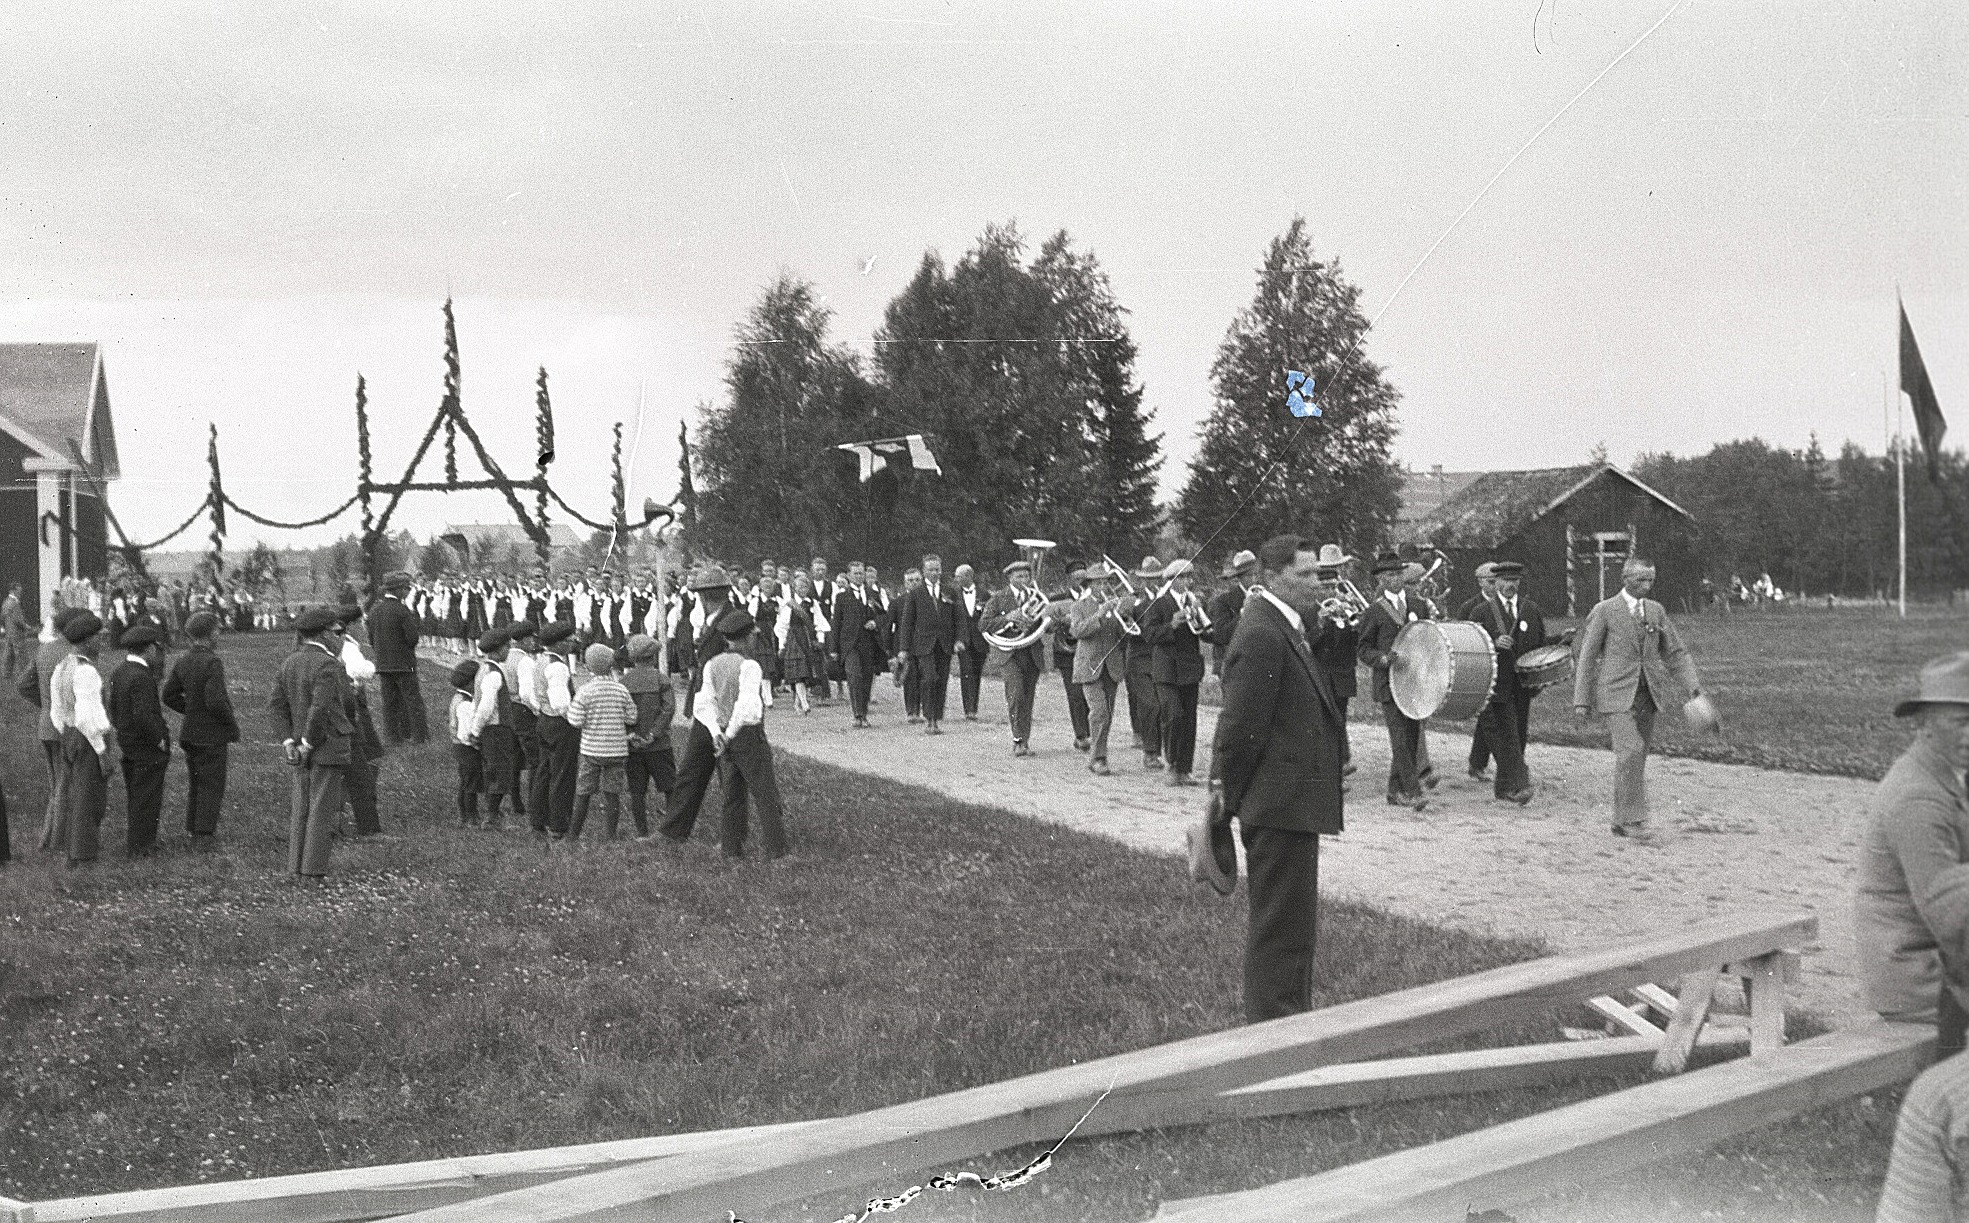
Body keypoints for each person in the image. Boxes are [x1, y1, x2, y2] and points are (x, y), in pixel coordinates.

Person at [1206, 534, 1346, 1022]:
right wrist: (1230, 800)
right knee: (1280, 930)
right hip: (1276, 806)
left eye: (1316, 574)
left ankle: (1288, 1021)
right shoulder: (1263, 632)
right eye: (1305, 575)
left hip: (1288, 802)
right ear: (1271, 577)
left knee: (1292, 928)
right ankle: (1272, 1034)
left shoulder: (1283, 625)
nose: (1316, 584)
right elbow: (1240, 729)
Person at [1855, 653, 1969, 1050]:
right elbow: (1953, 916)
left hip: (1941, 962)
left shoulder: (1947, 776)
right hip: (1916, 976)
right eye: (1961, 722)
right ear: (1924, 726)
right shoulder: (1918, 797)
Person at [1572, 557, 1703, 843]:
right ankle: (1633, 819)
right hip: (1615, 693)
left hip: (1647, 693)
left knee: (1636, 755)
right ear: (1625, 579)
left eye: (1651, 580)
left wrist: (1692, 687)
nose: (1647, 585)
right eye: (1641, 579)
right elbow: (1586, 657)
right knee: (1630, 749)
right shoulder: (1605, 611)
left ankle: (1621, 820)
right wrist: (1581, 700)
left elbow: (1675, 653)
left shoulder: (1656, 611)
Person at [268, 608, 354, 879]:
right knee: (321, 810)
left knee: (302, 808)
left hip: (300, 744)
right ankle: (314, 872)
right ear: (325, 633)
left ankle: (296, 867)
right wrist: (307, 742)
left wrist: (289, 742)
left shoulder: (289, 662)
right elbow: (321, 708)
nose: (339, 637)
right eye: (336, 631)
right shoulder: (328, 664)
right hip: (325, 744)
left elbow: (276, 707)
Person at [697, 610, 790, 859]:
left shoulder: (712, 664)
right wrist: (729, 734)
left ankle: (731, 847)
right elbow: (746, 707)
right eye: (752, 635)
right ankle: (777, 849)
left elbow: (705, 703)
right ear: (746, 638)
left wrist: (717, 733)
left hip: (724, 737)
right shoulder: (750, 666)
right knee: (765, 793)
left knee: (733, 795)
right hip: (747, 735)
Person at [1357, 552, 1430, 811]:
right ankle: (1412, 791)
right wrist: (1384, 659)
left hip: (1413, 683)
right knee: (1399, 738)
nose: (1395, 579)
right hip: (1388, 683)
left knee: (1410, 738)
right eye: (1389, 575)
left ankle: (1393, 790)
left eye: (1398, 574)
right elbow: (1364, 649)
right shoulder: (1374, 612)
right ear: (1380, 580)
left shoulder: (1418, 606)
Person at [1469, 561, 1546, 806]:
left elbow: (1539, 645)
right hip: (1494, 684)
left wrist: (1561, 641)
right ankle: (1518, 784)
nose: (1510, 585)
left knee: (1519, 734)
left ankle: (1504, 788)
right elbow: (1471, 648)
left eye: (1514, 580)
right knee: (1507, 734)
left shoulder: (1530, 610)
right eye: (1504, 580)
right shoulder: (1481, 612)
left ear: (1519, 582)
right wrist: (1493, 642)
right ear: (1496, 582)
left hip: (1522, 685)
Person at [162, 610, 239, 843]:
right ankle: (204, 833)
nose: (219, 633)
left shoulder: (183, 660)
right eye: (216, 629)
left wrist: (191, 709)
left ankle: (194, 826)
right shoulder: (212, 661)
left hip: (190, 732)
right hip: (210, 734)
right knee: (212, 783)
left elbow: (168, 696)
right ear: (208, 634)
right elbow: (215, 700)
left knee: (197, 781)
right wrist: (229, 722)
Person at [52, 611, 117, 866]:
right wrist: (101, 750)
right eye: (97, 638)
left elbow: (57, 710)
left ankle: (74, 851)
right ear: (87, 641)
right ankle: (83, 855)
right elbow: (87, 716)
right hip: (88, 738)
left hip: (69, 736)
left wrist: (65, 734)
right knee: (89, 798)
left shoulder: (62, 667)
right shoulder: (87, 671)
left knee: (74, 794)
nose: (101, 642)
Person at [19, 606, 83, 852]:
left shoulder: (43, 650)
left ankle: (46, 840)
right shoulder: (72, 653)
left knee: (56, 784)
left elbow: (23, 684)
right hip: (65, 726)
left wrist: (45, 704)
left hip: (46, 725)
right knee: (65, 784)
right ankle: (57, 843)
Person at [108, 624, 172, 857]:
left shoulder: (119, 671)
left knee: (137, 795)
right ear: (150, 649)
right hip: (146, 746)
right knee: (148, 796)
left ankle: (138, 842)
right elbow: (144, 714)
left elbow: (113, 708)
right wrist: (159, 740)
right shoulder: (142, 676)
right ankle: (143, 845)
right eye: (157, 648)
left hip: (128, 742)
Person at [1143, 558, 1206, 786]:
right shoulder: (1159, 604)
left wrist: (1199, 614)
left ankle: (1185, 769)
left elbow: (1204, 632)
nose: (1187, 582)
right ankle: (1172, 764)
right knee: (1173, 715)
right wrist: (1171, 625)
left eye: (1189, 577)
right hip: (1167, 670)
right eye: (1182, 578)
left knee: (1189, 719)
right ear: (1171, 580)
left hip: (1189, 668)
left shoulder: (1193, 601)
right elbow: (1149, 635)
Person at [566, 643, 638, 841]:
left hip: (592, 750)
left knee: (583, 792)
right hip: (616, 750)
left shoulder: (585, 691)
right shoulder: (621, 689)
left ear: (588, 667)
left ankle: (573, 834)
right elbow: (632, 717)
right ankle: (610, 835)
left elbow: (575, 720)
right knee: (612, 793)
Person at [1068, 565, 1131, 776]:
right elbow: (1077, 631)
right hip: (1089, 667)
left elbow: (1124, 637)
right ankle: (1098, 758)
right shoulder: (1079, 606)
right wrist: (1100, 614)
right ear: (1089, 585)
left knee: (1108, 714)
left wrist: (1126, 620)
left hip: (1111, 667)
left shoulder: (1115, 606)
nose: (1103, 586)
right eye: (1098, 583)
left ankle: (1098, 754)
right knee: (1100, 712)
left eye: (1106, 582)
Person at [983, 559, 1049, 757]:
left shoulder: (1037, 598)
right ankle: (1017, 739)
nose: (1024, 580)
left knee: (1027, 698)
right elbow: (983, 624)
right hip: (1008, 653)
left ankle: (1024, 741)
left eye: (1027, 576)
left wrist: (1047, 618)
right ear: (1010, 577)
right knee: (1016, 694)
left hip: (1031, 652)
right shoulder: (998, 598)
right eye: (1019, 576)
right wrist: (1008, 618)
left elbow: (1047, 626)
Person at [335, 605, 388, 839]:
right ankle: (365, 818)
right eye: (361, 623)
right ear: (352, 625)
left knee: (366, 758)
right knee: (362, 762)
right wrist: (371, 666)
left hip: (352, 704)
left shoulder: (346, 645)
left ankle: (349, 809)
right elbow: (360, 670)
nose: (364, 627)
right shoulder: (347, 646)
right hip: (353, 706)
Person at [1310, 549, 1360, 779]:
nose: (1330, 592)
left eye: (1333, 587)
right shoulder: (1310, 610)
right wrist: (1321, 621)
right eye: (1325, 588)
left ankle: (1338, 766)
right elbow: (1307, 643)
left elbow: (1355, 643)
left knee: (1339, 720)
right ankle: (1331, 771)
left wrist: (1349, 623)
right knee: (1323, 724)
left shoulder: (1344, 607)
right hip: (1319, 675)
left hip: (1341, 675)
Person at [528, 620, 580, 838]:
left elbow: (532, 695)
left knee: (544, 772)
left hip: (543, 720)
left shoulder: (540, 660)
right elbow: (561, 703)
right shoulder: (558, 666)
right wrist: (575, 721)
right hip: (560, 724)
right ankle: (559, 825)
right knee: (563, 775)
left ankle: (538, 820)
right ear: (558, 644)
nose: (572, 644)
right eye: (568, 641)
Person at [621, 633, 676, 837]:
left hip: (633, 745)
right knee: (669, 786)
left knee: (637, 791)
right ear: (653, 657)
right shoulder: (661, 679)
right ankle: (672, 830)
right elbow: (668, 709)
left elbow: (621, 712)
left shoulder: (625, 681)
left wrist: (631, 735)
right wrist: (654, 733)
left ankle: (642, 832)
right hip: (659, 744)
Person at [897, 553, 957, 734]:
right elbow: (907, 623)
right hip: (923, 644)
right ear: (924, 571)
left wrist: (960, 639)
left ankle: (936, 718)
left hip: (944, 644)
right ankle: (929, 718)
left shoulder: (950, 591)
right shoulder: (916, 594)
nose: (934, 573)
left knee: (942, 680)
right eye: (930, 569)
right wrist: (904, 649)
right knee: (929, 678)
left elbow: (959, 617)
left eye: (937, 569)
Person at [468, 626, 518, 830]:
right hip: (496, 728)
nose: (508, 651)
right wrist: (476, 730)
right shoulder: (494, 674)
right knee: (499, 772)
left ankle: (493, 813)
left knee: (494, 770)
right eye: (507, 647)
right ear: (497, 649)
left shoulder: (483, 669)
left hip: (492, 729)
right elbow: (486, 706)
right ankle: (491, 817)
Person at [369, 571, 427, 744]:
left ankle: (393, 737)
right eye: (406, 588)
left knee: (389, 702)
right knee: (412, 700)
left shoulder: (375, 610)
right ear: (398, 590)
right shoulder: (402, 611)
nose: (408, 591)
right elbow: (413, 638)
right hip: (404, 663)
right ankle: (418, 736)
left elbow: (371, 639)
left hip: (383, 664)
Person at [1458, 562, 1500, 780]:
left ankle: (1477, 763)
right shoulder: (1470, 608)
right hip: (1480, 669)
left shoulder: (1504, 605)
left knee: (1489, 719)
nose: (1495, 586)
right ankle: (1483, 764)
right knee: (1490, 718)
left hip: (1502, 669)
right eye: (1491, 582)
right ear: (1480, 582)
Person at [832, 561, 884, 728]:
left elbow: (884, 615)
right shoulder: (841, 597)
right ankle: (857, 714)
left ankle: (864, 714)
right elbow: (836, 623)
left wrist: (875, 622)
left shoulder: (873, 594)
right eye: (855, 574)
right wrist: (834, 648)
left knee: (867, 677)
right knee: (854, 676)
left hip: (868, 642)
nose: (859, 577)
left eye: (861, 573)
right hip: (849, 644)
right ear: (848, 575)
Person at [1124, 556, 1165, 770]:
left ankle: (1158, 749)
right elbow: (1124, 625)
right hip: (1139, 661)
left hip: (1162, 660)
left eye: (1157, 577)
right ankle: (1150, 753)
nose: (1153, 582)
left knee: (1163, 706)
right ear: (1142, 580)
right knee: (1150, 705)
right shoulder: (1133, 600)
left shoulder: (1167, 599)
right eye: (1148, 578)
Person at [776, 571, 830, 715]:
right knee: (799, 672)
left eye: (805, 586)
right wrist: (781, 645)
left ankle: (798, 702)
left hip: (808, 638)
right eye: (800, 586)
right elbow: (782, 626)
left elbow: (820, 621)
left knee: (807, 672)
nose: (803, 589)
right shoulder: (789, 604)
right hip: (794, 638)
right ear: (794, 587)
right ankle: (805, 703)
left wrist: (821, 640)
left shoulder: (813, 603)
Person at [1051, 564, 1092, 751]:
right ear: (1069, 580)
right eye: (1077, 579)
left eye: (1085, 578)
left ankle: (1089, 733)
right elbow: (1047, 627)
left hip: (1089, 650)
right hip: (1066, 652)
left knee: (1090, 694)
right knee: (1075, 694)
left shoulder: (1093, 599)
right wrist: (1061, 620)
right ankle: (1081, 734)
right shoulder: (1057, 599)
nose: (1082, 582)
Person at [1208, 550, 1257, 677]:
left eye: (1256, 574)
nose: (1254, 579)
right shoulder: (1223, 601)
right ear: (1239, 578)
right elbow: (1221, 635)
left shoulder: (1265, 596)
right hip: (1233, 664)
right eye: (1248, 576)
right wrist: (1243, 611)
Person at [952, 563, 990, 722]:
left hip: (980, 640)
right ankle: (969, 709)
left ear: (969, 576)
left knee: (977, 673)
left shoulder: (984, 594)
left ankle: (974, 706)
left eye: (959, 576)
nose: (956, 579)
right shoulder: (953, 594)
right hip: (963, 640)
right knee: (966, 671)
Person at [448, 660, 484, 827]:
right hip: (467, 748)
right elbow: (465, 732)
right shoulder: (465, 704)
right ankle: (471, 816)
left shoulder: (458, 697)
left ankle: (464, 815)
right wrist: (477, 744)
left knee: (465, 782)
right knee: (470, 783)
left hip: (459, 747)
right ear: (470, 682)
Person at [2, 580, 29, 679]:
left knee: (9, 654)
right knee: (21, 654)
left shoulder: (5, 602)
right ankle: (25, 673)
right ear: (13, 591)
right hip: (17, 632)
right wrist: (26, 626)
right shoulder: (15, 603)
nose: (20, 593)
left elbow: (3, 616)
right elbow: (18, 620)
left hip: (9, 632)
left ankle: (6, 674)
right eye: (19, 591)